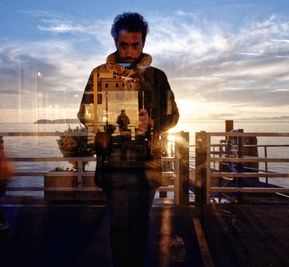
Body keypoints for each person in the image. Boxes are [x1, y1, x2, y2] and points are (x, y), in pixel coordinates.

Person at [78, 12, 178, 267]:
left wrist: (152, 122)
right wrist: (103, 122)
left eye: (136, 45)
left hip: (145, 164)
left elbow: (174, 116)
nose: (131, 51)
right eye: (125, 45)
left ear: (144, 43)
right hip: (114, 164)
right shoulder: (99, 74)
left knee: (140, 225)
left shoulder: (157, 76)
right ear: (115, 43)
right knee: (119, 227)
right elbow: (83, 113)